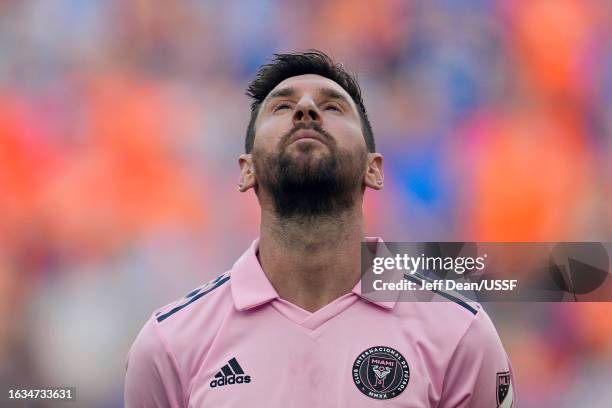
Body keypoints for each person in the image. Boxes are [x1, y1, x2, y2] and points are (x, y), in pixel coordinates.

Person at [124, 50, 515, 407]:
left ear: (373, 169)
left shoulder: (461, 334)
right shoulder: (170, 345)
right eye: (282, 106)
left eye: (332, 106)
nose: (307, 110)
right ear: (247, 171)